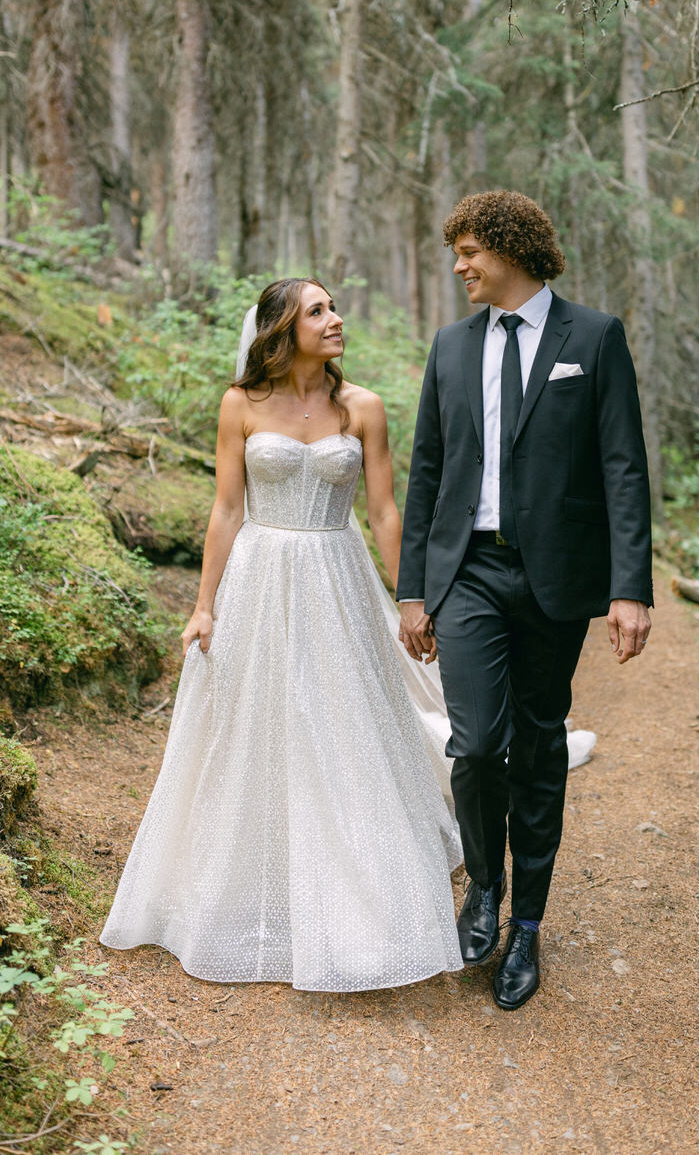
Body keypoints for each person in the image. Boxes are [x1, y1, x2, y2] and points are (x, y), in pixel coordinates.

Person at [100, 277, 463, 992]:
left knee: (343, 718)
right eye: (317, 311)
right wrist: (203, 604)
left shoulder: (362, 407)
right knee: (258, 718)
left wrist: (410, 600)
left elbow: (386, 512)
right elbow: (226, 510)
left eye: (333, 308)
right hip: (261, 576)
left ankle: (358, 885)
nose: (335, 319)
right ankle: (251, 873)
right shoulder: (241, 404)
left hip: (337, 571)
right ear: (280, 329)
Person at [397, 190, 653, 1011]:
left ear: (511, 248)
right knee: (474, 745)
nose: (462, 266)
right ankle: (484, 891)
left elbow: (623, 465)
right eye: (458, 253)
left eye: (471, 251)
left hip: (553, 581)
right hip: (467, 572)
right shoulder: (450, 346)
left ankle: (529, 927)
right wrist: (413, 590)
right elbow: (427, 472)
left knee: (538, 746)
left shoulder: (595, 337)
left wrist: (629, 587)